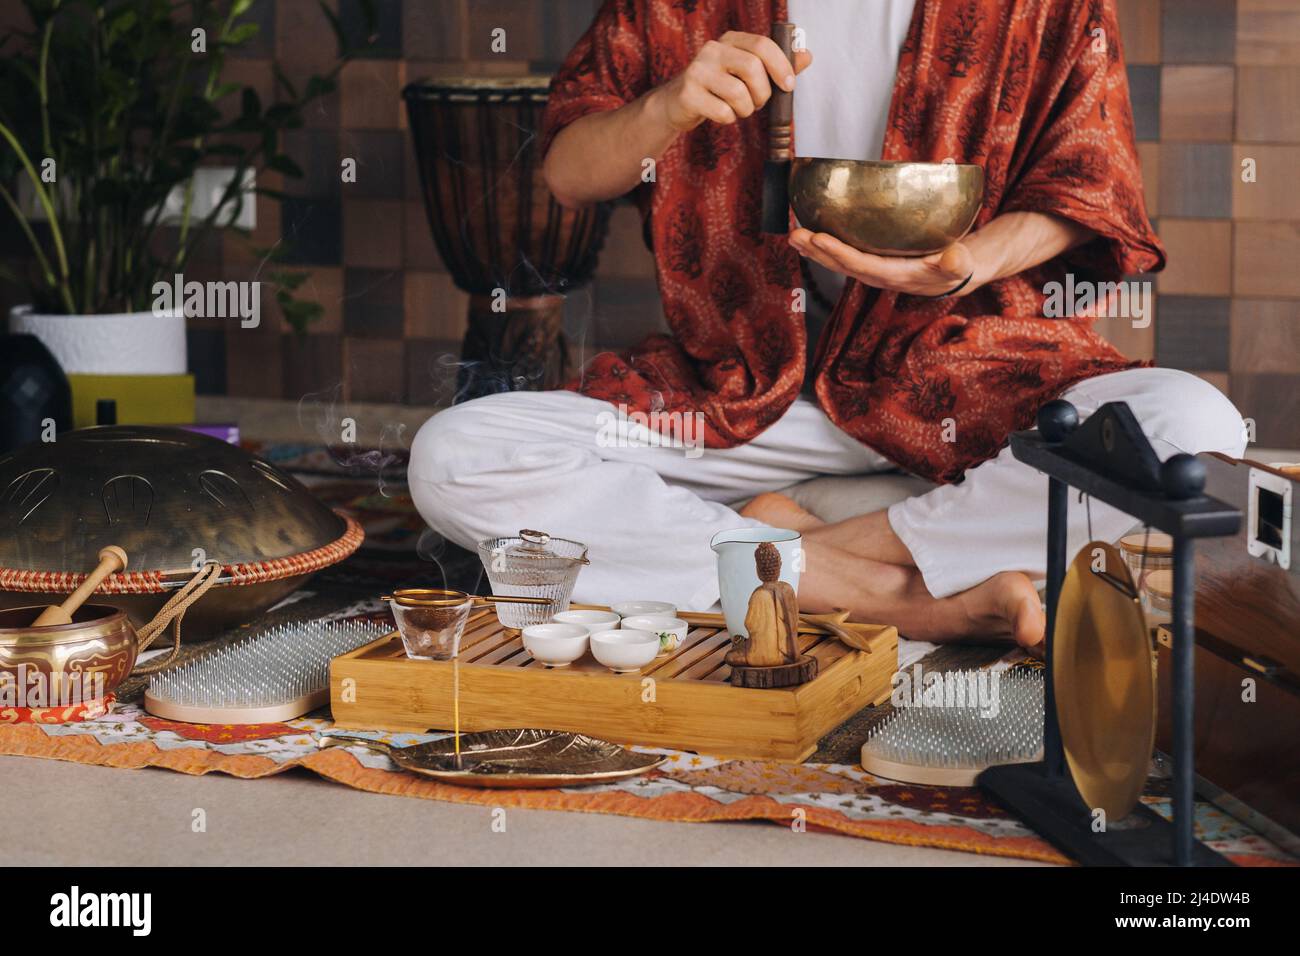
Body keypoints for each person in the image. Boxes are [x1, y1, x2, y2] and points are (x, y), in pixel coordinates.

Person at [409, 0, 1245, 650]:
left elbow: (1090, 189)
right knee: (456, 457)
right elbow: (567, 172)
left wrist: (973, 260)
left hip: (965, 379)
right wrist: (666, 107)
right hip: (746, 389)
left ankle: (789, 545)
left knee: (1191, 430)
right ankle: (901, 596)